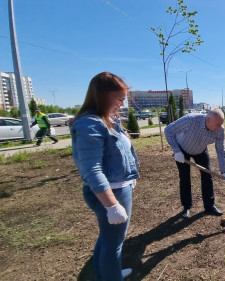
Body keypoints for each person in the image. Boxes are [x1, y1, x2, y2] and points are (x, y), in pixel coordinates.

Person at [70, 72, 138, 281]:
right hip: (111, 193)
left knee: (108, 239)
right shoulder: (90, 124)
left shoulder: (109, 120)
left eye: (124, 99)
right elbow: (92, 169)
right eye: (119, 99)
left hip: (119, 187)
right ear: (102, 96)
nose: (122, 104)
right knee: (113, 244)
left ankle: (108, 273)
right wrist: (111, 205)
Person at [165, 108, 225, 218]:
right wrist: (176, 150)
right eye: (218, 124)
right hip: (182, 149)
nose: (220, 127)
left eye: (221, 124)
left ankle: (209, 206)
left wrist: (224, 171)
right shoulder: (190, 120)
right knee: (185, 177)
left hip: (201, 150)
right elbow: (168, 130)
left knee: (207, 176)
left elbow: (220, 149)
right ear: (208, 120)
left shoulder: (220, 130)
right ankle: (186, 207)